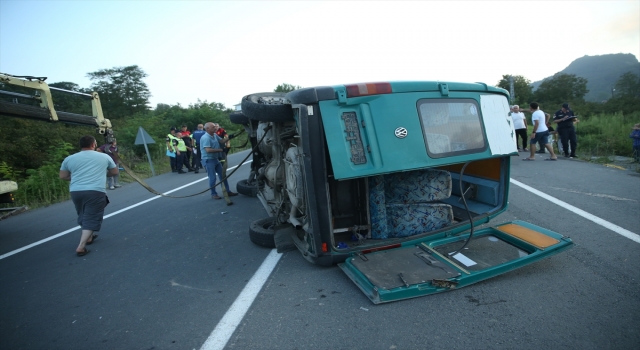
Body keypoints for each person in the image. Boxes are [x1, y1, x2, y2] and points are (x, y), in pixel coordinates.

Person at [59, 135, 118, 257]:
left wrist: (77, 178)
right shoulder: (104, 156)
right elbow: (114, 172)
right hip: (95, 190)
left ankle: (89, 237)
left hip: (76, 191)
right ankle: (81, 246)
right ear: (93, 144)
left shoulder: (69, 159)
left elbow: (63, 176)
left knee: (83, 213)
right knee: (92, 216)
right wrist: (102, 174)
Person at [200, 122, 238, 199]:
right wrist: (221, 150)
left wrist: (229, 138)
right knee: (212, 177)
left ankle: (227, 191)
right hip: (208, 159)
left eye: (215, 126)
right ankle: (213, 194)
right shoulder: (205, 138)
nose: (215, 128)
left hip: (215, 158)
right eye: (213, 127)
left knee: (223, 175)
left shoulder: (214, 135)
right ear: (207, 129)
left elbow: (221, 141)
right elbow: (208, 150)